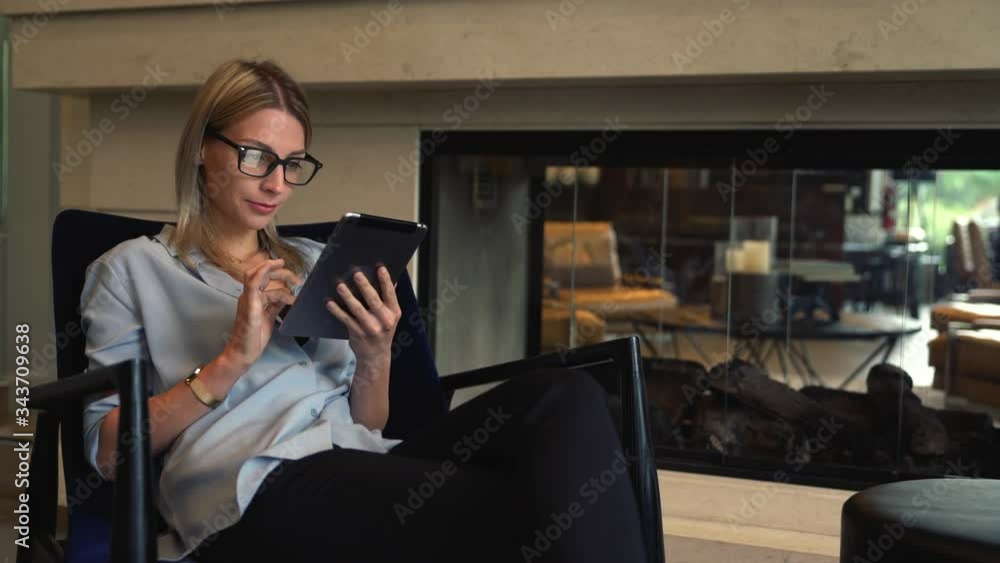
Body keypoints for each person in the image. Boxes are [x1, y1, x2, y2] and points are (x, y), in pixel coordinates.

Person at [80, 58, 647, 563]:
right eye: (257, 158)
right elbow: (109, 451)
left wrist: (373, 354)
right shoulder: (131, 269)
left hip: (356, 456)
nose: (278, 184)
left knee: (564, 396)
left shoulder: (317, 261)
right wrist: (232, 358)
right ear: (204, 149)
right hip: (248, 481)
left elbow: (368, 424)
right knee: (552, 503)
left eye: (294, 163)